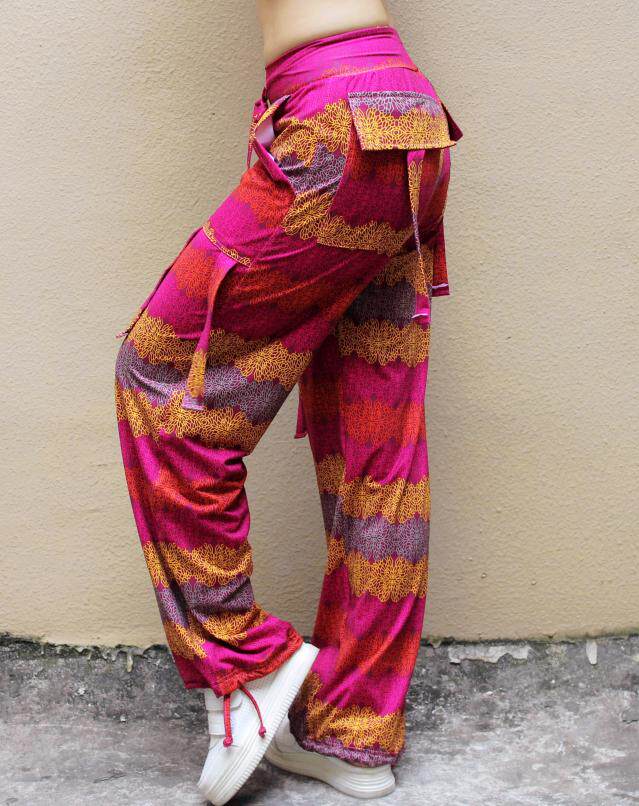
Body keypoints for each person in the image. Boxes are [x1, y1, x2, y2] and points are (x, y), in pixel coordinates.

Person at [114, 1, 462, 803]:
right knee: (375, 443)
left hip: (332, 128)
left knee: (159, 378)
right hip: (404, 119)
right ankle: (353, 737)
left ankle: (246, 666)